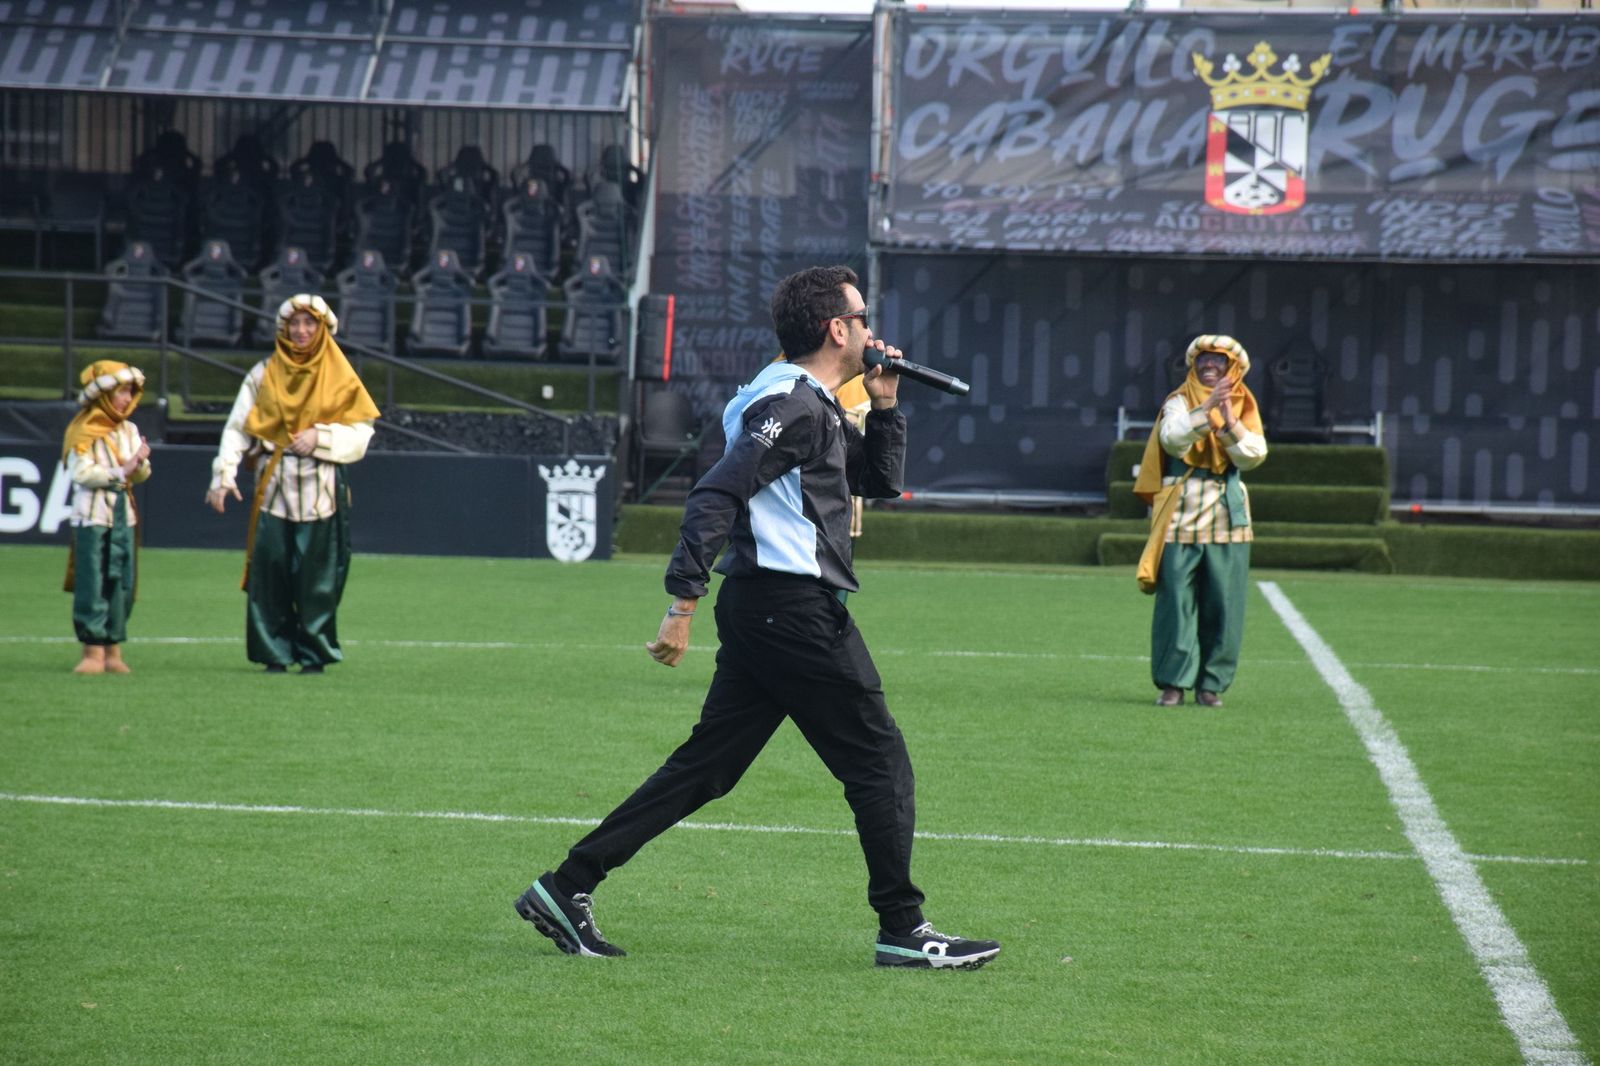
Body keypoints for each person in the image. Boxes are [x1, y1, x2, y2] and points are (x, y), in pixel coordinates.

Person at [514, 265, 1000, 970]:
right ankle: (903, 927)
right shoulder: (793, 403)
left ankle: (566, 886)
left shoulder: (800, 398)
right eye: (863, 318)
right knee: (879, 762)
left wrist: (886, 404)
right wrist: (682, 601)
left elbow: (873, 483)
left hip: (765, 610)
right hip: (791, 610)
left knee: (707, 767)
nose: (873, 330)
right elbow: (717, 494)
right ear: (838, 330)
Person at [205, 294, 380, 674]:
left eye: (309, 323)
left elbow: (362, 432)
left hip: (322, 488)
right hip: (274, 485)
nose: (301, 330)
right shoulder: (263, 372)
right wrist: (224, 474)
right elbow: (237, 427)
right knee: (271, 573)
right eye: (294, 323)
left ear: (323, 328)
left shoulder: (340, 374)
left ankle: (314, 653)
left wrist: (322, 437)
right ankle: (274, 652)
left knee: (318, 578)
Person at [1133, 335, 1268, 708]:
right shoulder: (1178, 400)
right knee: (1176, 601)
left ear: (1232, 368)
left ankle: (1211, 684)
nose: (1209, 365)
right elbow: (1172, 439)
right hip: (1181, 511)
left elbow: (1253, 455)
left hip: (1228, 515)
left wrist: (1228, 422)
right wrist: (1206, 409)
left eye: (1218, 360)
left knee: (1223, 602)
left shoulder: (1243, 403)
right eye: (1203, 359)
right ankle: (1173, 683)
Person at [61, 361, 151, 674]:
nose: (127, 398)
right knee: (92, 580)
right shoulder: (82, 428)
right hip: (92, 515)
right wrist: (121, 471)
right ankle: (92, 648)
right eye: (121, 391)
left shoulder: (129, 430)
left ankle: (113, 647)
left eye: (130, 392)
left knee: (122, 581)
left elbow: (141, 474)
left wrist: (139, 465)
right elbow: (81, 472)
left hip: (123, 515)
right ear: (104, 394)